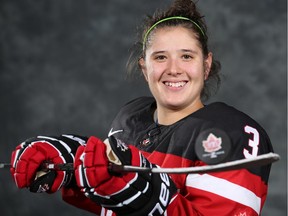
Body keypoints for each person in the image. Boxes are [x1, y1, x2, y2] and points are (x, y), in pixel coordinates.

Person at [10, 0, 274, 215]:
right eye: (160, 57)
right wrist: (71, 166)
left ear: (206, 65)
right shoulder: (130, 118)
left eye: (186, 56)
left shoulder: (232, 134)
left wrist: (144, 192)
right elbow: (111, 200)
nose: (173, 69)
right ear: (144, 67)